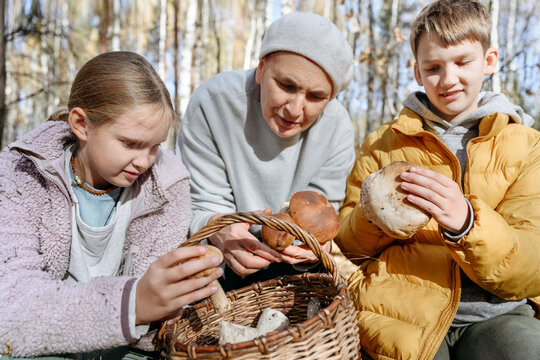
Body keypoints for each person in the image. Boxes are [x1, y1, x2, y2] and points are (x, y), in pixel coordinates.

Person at [336, 1, 540, 359]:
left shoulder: (526, 146)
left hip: (497, 313)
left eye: (463, 62)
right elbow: (349, 248)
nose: (448, 79)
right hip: (398, 310)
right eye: (433, 67)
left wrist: (467, 223)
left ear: (489, 61)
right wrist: (372, 215)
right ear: (416, 71)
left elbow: (532, 263)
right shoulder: (382, 145)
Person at [0, 51, 223, 359]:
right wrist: (132, 305)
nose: (144, 161)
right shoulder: (20, 174)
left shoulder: (168, 187)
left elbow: (153, 336)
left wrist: (168, 305)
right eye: (130, 143)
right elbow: (10, 308)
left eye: (155, 146)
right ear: (81, 124)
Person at [178, 12, 355, 291]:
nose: (295, 109)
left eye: (316, 96)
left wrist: (315, 249)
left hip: (295, 266)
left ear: (330, 99)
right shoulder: (213, 105)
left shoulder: (338, 128)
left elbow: (324, 213)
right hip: (220, 262)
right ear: (261, 69)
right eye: (286, 85)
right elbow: (200, 205)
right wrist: (219, 229)